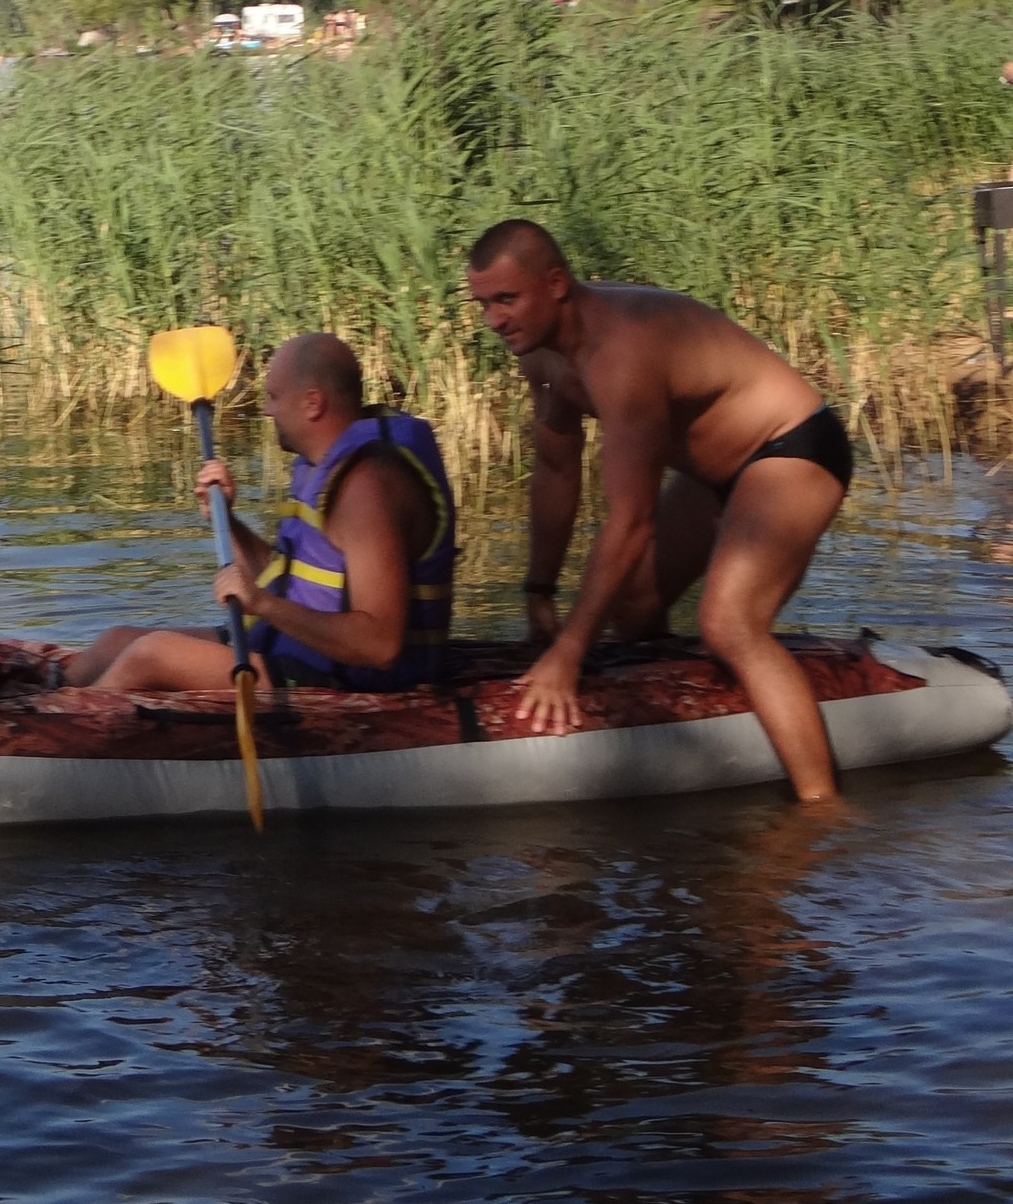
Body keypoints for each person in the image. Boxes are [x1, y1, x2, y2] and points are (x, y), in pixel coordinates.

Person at [463, 219, 853, 802]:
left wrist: (569, 654)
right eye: (484, 304)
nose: (495, 320)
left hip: (790, 446)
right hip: (713, 474)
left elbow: (631, 522)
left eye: (508, 299)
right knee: (635, 606)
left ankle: (821, 810)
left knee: (729, 623)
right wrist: (538, 590)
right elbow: (556, 471)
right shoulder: (541, 357)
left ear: (557, 284)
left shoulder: (621, 354)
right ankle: (692, 737)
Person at [65, 333, 456, 693]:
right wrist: (226, 520)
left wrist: (263, 605)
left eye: (273, 396)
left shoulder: (368, 486)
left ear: (312, 403)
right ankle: (41, 702)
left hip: (352, 680)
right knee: (117, 641)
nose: (266, 411)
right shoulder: (325, 465)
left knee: (151, 654)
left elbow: (378, 645)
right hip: (300, 651)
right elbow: (286, 581)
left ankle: (61, 742)